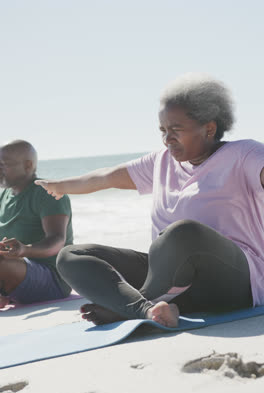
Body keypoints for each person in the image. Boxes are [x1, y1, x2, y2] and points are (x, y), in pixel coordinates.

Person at [35, 72, 264, 328]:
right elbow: (106, 177)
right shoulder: (161, 161)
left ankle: (128, 307)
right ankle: (147, 310)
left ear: (209, 128)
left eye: (176, 130)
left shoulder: (244, 154)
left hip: (234, 281)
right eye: (163, 131)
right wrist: (61, 186)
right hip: (173, 281)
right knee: (70, 255)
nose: (167, 139)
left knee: (182, 233)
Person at [0, 140, 73, 308]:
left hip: (52, 278)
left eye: (2, 165)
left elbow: (57, 240)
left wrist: (25, 250)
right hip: (16, 271)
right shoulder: (4, 196)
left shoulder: (47, 192)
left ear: (28, 165)